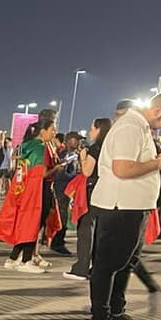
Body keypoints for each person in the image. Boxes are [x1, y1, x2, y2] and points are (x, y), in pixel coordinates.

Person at [84, 92, 161, 320]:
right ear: (160, 111)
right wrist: (157, 164)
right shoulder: (130, 127)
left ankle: (115, 311)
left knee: (125, 262)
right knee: (108, 264)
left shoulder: (140, 127)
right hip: (120, 206)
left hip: (133, 206)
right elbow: (122, 168)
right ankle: (99, 318)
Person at [0, 120, 60, 273]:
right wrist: (56, 168)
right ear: (42, 131)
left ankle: (13, 258)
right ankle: (26, 261)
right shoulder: (40, 147)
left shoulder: (26, 145)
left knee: (26, 223)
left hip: (22, 189)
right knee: (33, 224)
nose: (54, 132)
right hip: (37, 191)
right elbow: (41, 174)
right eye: (52, 129)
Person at [65, 116, 114, 281]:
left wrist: (83, 156)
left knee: (86, 229)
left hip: (91, 190)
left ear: (99, 129)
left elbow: (86, 171)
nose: (90, 132)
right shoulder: (111, 147)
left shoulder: (95, 148)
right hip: (106, 189)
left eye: (92, 129)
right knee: (100, 231)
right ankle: (96, 267)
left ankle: (81, 268)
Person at [48, 132, 82, 255]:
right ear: (68, 141)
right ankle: (57, 243)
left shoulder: (74, 154)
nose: (78, 143)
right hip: (62, 189)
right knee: (62, 216)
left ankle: (56, 240)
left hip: (66, 189)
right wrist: (74, 177)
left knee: (63, 215)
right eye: (75, 140)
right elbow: (60, 173)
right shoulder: (66, 155)